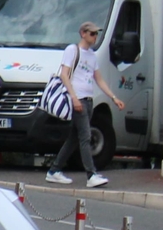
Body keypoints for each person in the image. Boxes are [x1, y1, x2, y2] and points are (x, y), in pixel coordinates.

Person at [43, 20, 123, 189]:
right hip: (78, 99)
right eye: (92, 33)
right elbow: (64, 75)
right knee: (85, 136)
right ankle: (91, 174)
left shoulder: (92, 56)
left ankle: (54, 170)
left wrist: (113, 97)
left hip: (88, 100)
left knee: (74, 138)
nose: (95, 37)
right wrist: (74, 98)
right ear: (83, 34)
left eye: (96, 34)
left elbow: (98, 79)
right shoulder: (72, 50)